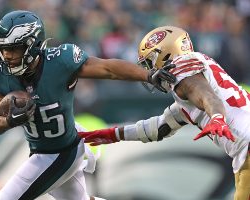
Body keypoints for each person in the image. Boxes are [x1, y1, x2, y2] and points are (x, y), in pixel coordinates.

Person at [0, 11, 176, 200]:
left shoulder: (60, 61)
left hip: (63, 150)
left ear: (33, 45)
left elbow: (108, 68)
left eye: (14, 48)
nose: (6, 55)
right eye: (3, 49)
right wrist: (7, 121)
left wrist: (148, 75)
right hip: (43, 149)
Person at [79, 26, 250, 200]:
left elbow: (206, 96)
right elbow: (157, 128)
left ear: (165, 55)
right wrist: (114, 134)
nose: (149, 69)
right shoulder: (187, 90)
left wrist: (217, 118)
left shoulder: (182, 72)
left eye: (150, 62)